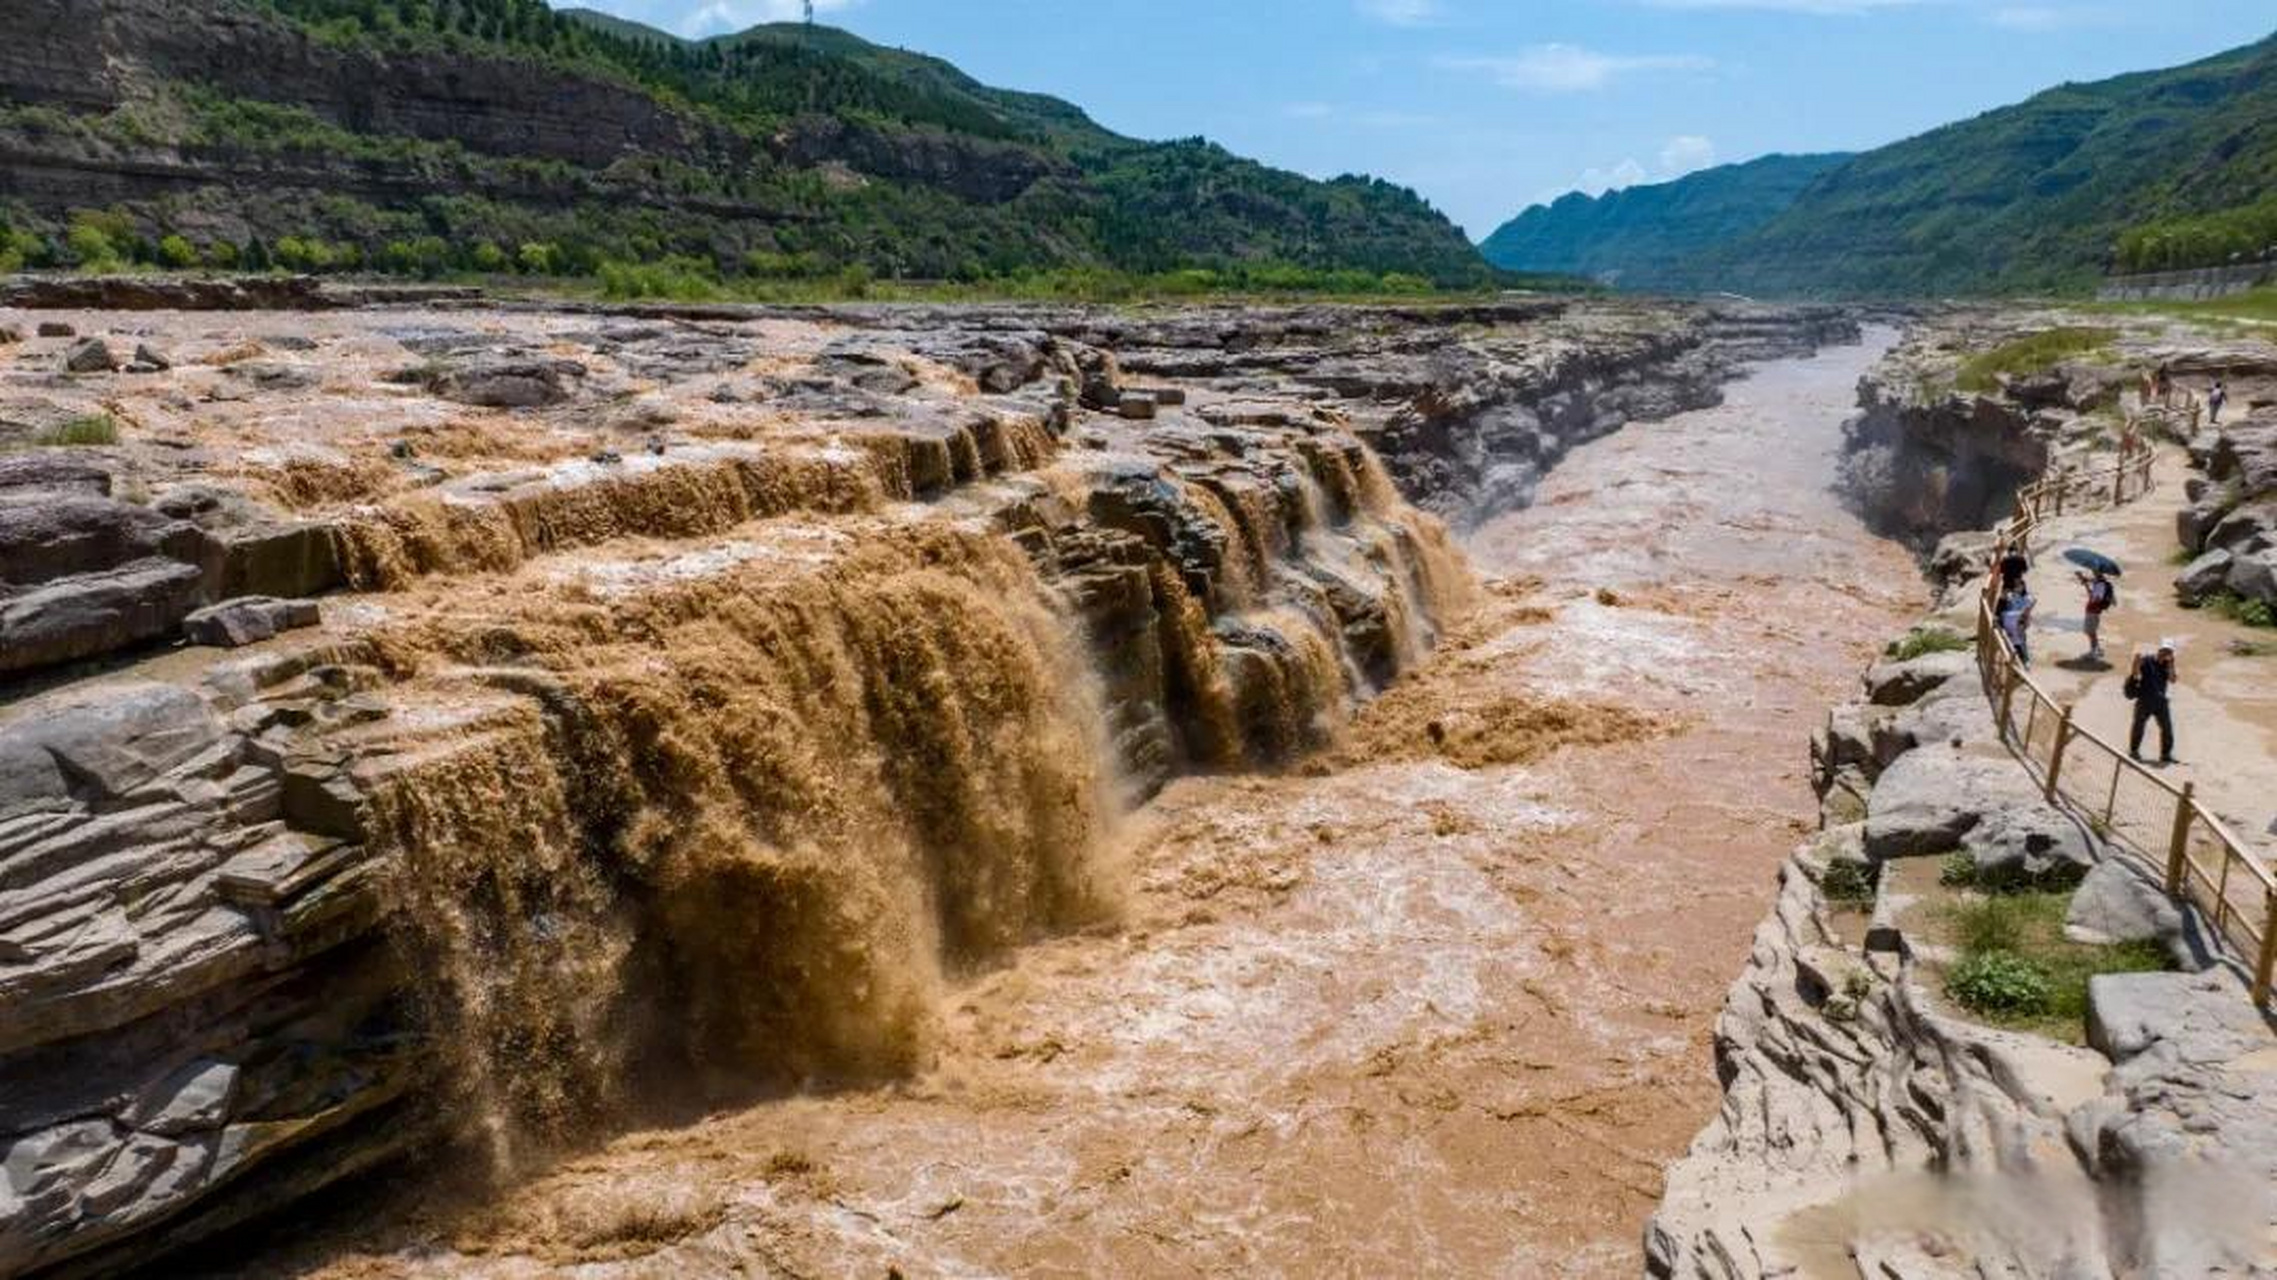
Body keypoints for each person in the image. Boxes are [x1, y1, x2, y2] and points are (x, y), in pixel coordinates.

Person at [2127, 640, 2177, 765]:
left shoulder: (2167, 664)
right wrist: (2135, 663)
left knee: (2167, 729)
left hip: (2161, 702)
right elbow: (2136, 674)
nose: (2165, 654)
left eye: (2169, 652)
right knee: (2139, 726)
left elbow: (2173, 680)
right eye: (2164, 650)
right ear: (2159, 650)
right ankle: (2134, 751)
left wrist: (2171, 665)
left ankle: (2165, 755)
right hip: (2145, 700)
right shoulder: (2147, 660)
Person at [2076, 568, 2116, 660]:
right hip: (2094, 611)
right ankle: (2097, 649)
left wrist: (2086, 585)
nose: (2093, 573)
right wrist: (2083, 579)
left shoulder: (2099, 585)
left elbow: (2094, 598)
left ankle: (2093, 652)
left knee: (2090, 632)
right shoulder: (2100, 583)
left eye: (2095, 572)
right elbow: (2092, 594)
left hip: (2092, 611)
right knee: (2092, 631)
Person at [1999, 580, 2036, 666]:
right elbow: (2002, 597)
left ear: (2023, 587)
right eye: (2017, 587)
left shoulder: (2027, 597)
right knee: (2012, 638)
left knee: (2021, 638)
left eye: (2020, 586)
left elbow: (2032, 602)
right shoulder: (2010, 595)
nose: (2019, 588)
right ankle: (2014, 657)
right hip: (2010, 619)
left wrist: (2027, 611)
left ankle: (2025, 659)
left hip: (2020, 620)